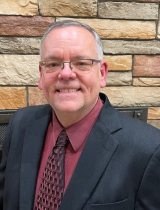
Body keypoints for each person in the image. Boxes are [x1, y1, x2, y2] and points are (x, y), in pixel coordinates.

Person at [0, 19, 160, 210]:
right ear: (41, 75)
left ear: (102, 73)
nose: (66, 74)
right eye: (53, 64)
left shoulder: (148, 149)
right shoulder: (20, 124)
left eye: (81, 63)